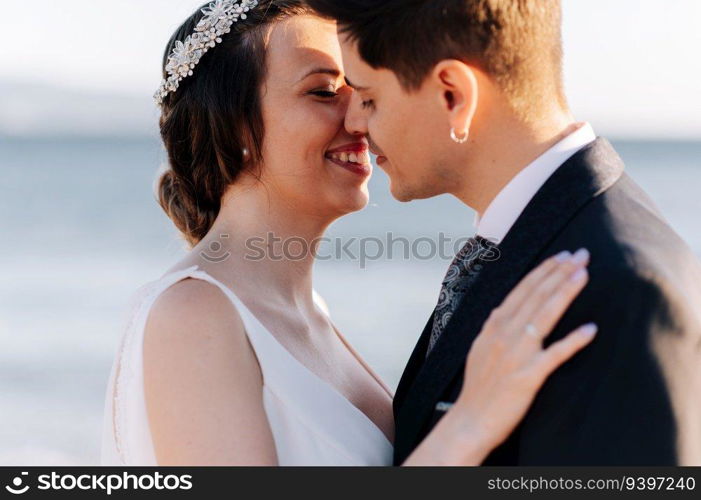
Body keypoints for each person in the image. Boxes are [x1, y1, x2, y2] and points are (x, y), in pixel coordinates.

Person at [101, 0, 598, 466]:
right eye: (322, 91)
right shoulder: (192, 315)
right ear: (231, 127)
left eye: (359, 89)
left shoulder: (311, 315)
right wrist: (467, 425)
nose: (360, 118)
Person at [306, 0, 701, 465]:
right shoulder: (536, 244)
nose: (354, 123)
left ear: (453, 94)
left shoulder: (619, 290)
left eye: (369, 98)